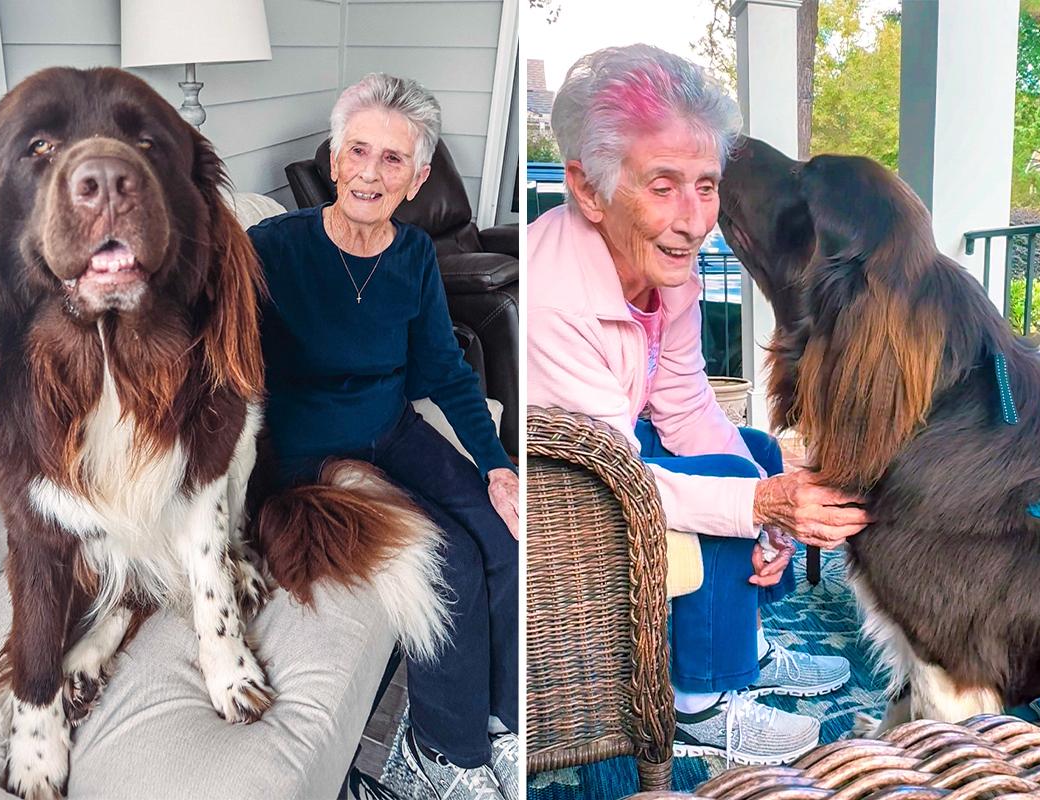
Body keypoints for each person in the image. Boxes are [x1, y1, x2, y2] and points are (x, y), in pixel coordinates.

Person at [528, 44, 872, 765]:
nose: (695, 220)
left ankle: (740, 645)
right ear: (590, 190)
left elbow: (683, 403)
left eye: (707, 185)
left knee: (758, 451)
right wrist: (761, 507)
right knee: (732, 479)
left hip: (617, 443)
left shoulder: (666, 270)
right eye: (663, 186)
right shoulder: (552, 296)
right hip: (562, 484)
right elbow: (615, 473)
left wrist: (764, 489)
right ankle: (698, 704)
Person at [247, 73, 518, 800]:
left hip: (391, 429)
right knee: (450, 557)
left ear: (417, 177)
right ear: (334, 160)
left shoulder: (414, 258)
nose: (369, 172)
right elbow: (200, 330)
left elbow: (446, 372)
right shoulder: (271, 248)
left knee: (503, 532)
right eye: (357, 151)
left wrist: (496, 466)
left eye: (391, 159)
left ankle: (504, 724)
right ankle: (440, 752)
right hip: (304, 452)